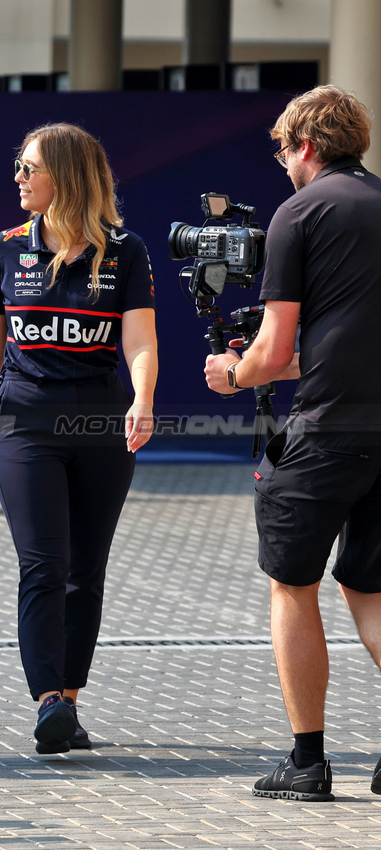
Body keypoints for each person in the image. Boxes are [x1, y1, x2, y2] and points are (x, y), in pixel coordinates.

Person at [202, 85, 381, 803]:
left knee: (291, 586)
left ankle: (305, 764)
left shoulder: (298, 213)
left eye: (282, 149)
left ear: (305, 144)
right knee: (369, 588)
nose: (280, 163)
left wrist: (230, 373)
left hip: (326, 430)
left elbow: (273, 351)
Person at [0, 123, 157, 755]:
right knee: (43, 563)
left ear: (65, 177)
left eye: (29, 167)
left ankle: (69, 702)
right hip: (25, 418)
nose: (18, 177)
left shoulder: (125, 251)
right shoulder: (4, 247)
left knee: (86, 572)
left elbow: (141, 340)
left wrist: (144, 398)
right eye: (19, 166)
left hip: (101, 419)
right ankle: (46, 700)